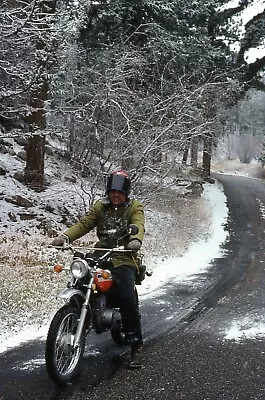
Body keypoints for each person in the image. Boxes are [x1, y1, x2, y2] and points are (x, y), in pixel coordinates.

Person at [52, 170, 145, 368]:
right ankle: (81, 316)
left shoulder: (134, 207)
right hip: (101, 253)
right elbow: (84, 224)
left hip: (123, 256)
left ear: (126, 192)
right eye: (112, 191)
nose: (115, 195)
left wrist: (135, 240)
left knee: (128, 297)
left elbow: (139, 223)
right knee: (81, 277)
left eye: (119, 192)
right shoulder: (100, 207)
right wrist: (66, 237)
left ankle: (135, 344)